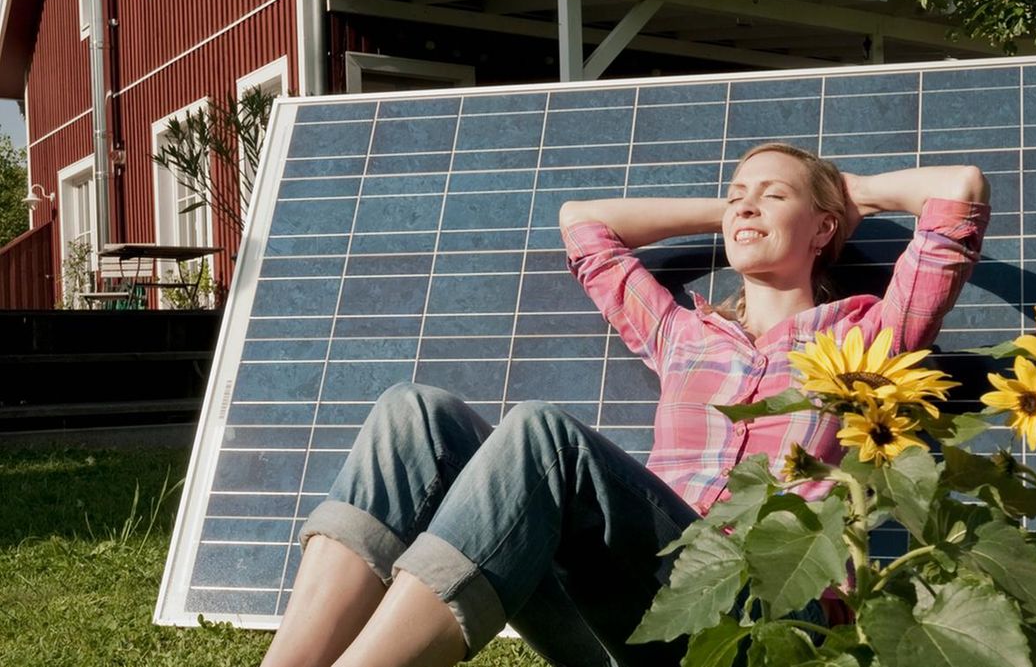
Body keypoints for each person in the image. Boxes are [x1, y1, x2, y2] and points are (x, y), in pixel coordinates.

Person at [258, 142, 990, 667]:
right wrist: (733, 211)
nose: (745, 202)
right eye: (737, 190)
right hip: (631, 613)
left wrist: (842, 189)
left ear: (825, 228)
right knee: (413, 414)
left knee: (540, 435)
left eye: (771, 193)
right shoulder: (684, 332)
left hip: (760, 619)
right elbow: (585, 224)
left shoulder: (872, 334)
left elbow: (957, 192)